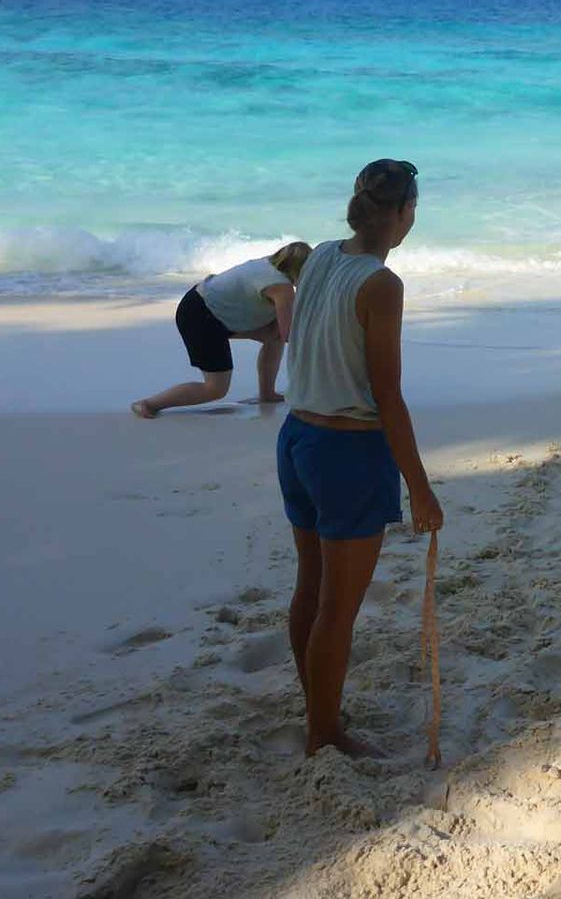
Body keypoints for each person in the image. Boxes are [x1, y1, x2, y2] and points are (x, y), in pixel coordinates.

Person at [278, 159, 444, 758]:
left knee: (311, 590)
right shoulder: (382, 284)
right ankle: (324, 732)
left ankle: (318, 705)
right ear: (404, 214)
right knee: (337, 609)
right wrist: (420, 489)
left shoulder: (322, 254)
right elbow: (387, 395)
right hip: (346, 448)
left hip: (297, 438)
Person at [132, 242, 312, 418]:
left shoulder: (269, 264)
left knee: (274, 336)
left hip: (202, 303)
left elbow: (282, 331)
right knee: (215, 389)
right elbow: (289, 333)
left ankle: (267, 394)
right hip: (201, 317)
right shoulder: (282, 288)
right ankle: (148, 404)